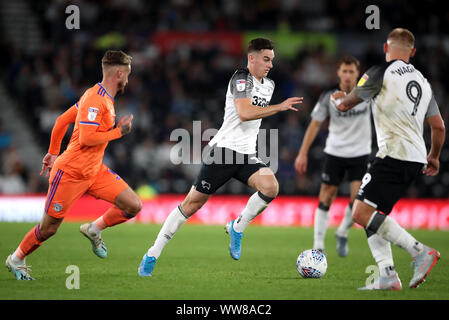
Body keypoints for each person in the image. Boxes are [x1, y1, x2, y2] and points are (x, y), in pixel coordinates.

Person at [138, 38, 303, 276]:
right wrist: (280, 107)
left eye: (272, 60)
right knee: (191, 204)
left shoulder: (269, 85)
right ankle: (153, 253)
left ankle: (237, 227)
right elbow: (245, 113)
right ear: (252, 58)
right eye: (266, 59)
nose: (270, 65)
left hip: (247, 155)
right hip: (224, 152)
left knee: (270, 187)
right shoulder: (241, 78)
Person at [5, 50, 142, 280]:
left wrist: (51, 153)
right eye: (127, 75)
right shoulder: (94, 99)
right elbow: (87, 138)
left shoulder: (101, 97)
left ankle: (94, 229)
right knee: (49, 229)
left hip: (94, 170)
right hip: (70, 172)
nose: (128, 80)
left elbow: (61, 121)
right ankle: (16, 258)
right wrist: (119, 132)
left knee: (133, 205)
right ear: (119, 73)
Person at [335, 28, 445, 290]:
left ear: (386, 48)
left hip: (394, 154)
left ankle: (420, 251)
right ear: (413, 52)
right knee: (373, 213)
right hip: (415, 157)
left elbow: (346, 104)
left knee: (360, 212)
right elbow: (439, 127)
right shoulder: (423, 82)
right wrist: (434, 156)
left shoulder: (379, 72)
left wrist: (339, 99)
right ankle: (387, 275)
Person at [294, 55, 371, 257]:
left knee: (357, 199)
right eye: (344, 71)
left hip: (360, 153)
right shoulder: (328, 96)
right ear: (338, 73)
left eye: (351, 71)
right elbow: (315, 124)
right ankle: (318, 245)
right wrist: (302, 153)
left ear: (358, 73)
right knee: (326, 195)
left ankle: (342, 231)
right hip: (335, 152)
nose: (347, 75)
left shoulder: (367, 95)